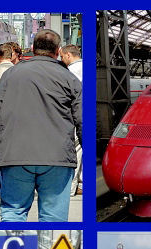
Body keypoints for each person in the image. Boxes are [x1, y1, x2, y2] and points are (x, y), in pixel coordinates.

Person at [0, 29, 82, 222]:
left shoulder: (11, 75)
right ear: (58, 51)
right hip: (57, 159)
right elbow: (82, 120)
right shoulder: (69, 79)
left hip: (15, 156)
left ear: (32, 49)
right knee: (53, 219)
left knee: (13, 214)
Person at [60, 44, 84, 197]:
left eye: (62, 56)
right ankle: (81, 184)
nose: (61, 59)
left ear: (68, 55)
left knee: (74, 152)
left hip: (73, 118)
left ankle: (70, 187)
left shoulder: (69, 73)